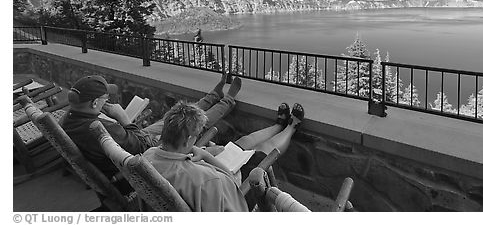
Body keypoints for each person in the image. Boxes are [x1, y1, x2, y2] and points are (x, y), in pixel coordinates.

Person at [61, 73, 241, 181]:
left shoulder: (68, 120)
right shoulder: (101, 129)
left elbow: (129, 141)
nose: (107, 100)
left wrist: (122, 125)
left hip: (130, 143)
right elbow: (143, 148)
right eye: (105, 99)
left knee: (173, 116)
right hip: (147, 153)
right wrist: (122, 117)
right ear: (94, 103)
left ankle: (212, 96)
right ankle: (228, 99)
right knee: (192, 123)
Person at [143, 98, 304, 211]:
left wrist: (203, 153)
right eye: (197, 136)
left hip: (198, 181)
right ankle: (291, 127)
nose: (198, 139)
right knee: (262, 152)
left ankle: (279, 125)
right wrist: (207, 157)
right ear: (187, 140)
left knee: (244, 142)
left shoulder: (148, 156)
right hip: (235, 192)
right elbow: (233, 190)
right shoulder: (206, 180)